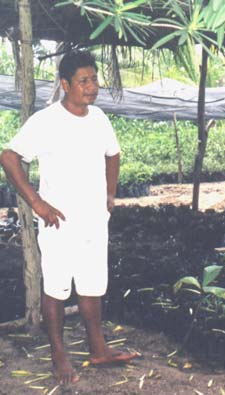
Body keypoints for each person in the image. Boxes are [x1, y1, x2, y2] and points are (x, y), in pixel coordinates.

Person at [0, 50, 138, 385]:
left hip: (93, 220)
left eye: (94, 79)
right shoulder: (46, 121)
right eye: (83, 81)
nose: (92, 87)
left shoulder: (99, 118)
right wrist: (37, 203)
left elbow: (113, 153)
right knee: (57, 289)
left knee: (92, 285)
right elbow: (9, 157)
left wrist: (109, 193)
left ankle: (98, 348)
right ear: (65, 84)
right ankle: (58, 354)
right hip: (58, 222)